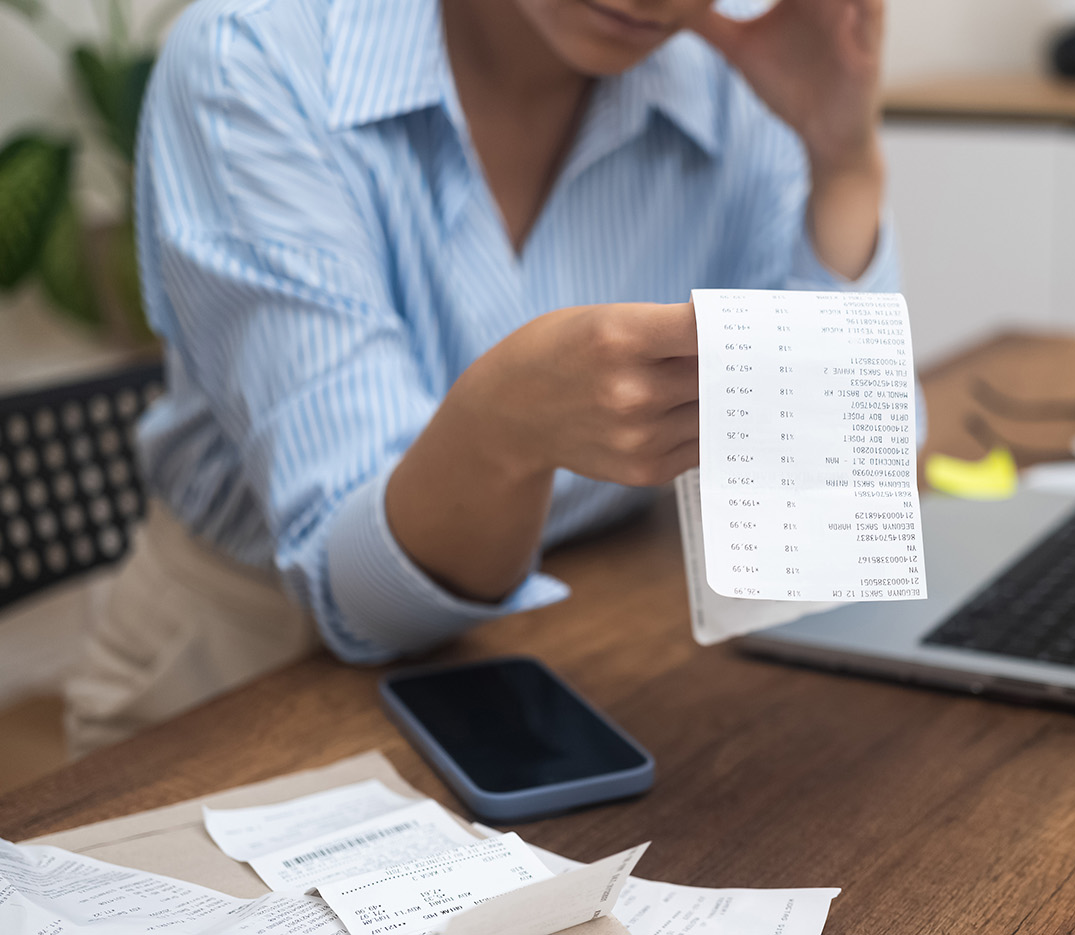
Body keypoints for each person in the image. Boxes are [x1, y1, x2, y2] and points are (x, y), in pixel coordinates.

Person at [64, 0, 899, 754]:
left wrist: (843, 159)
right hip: (241, 673)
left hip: (575, 654)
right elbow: (364, 594)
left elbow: (831, 506)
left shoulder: (733, 82)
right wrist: (505, 425)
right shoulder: (253, 57)